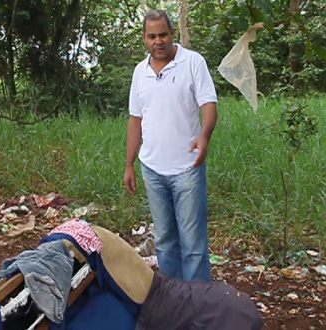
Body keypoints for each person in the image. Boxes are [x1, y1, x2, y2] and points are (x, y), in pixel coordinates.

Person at [124, 9, 218, 282]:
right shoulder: (139, 72)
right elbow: (135, 120)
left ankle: (198, 306)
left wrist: (205, 135)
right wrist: (129, 164)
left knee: (193, 246)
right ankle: (175, 303)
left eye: (163, 34)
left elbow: (209, 104)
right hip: (152, 170)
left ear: (172, 34)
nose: (158, 41)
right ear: (143, 38)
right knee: (165, 241)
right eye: (151, 36)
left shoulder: (192, 63)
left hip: (187, 169)